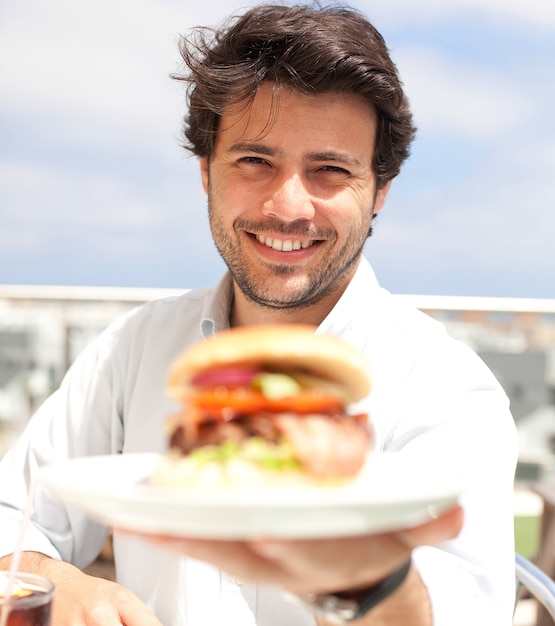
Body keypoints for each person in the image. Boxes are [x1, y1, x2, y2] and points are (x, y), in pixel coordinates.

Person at [0, 3, 517, 625]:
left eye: (330, 170)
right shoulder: (133, 348)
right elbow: (13, 514)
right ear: (206, 173)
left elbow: (465, 612)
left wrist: (372, 585)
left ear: (380, 190)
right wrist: (57, 580)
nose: (287, 205)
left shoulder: (447, 386)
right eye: (254, 161)